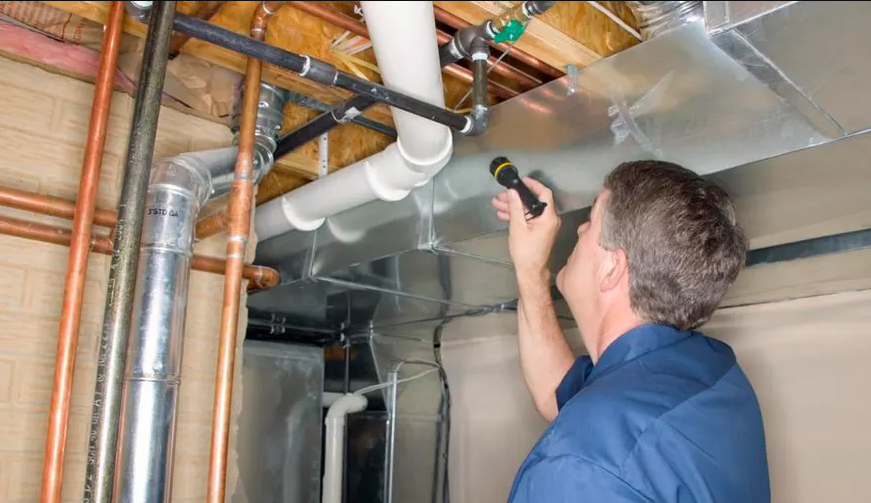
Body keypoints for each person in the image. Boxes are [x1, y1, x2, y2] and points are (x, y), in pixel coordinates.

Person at [490, 160, 770, 502]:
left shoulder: (580, 467)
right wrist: (531, 270)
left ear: (612, 267)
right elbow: (558, 395)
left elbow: (599, 442)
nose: (578, 230)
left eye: (590, 222)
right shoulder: (711, 370)